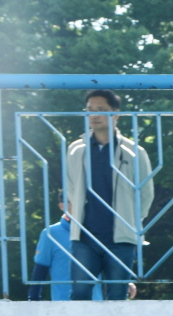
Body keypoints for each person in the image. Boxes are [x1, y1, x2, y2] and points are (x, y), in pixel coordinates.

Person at [65, 89, 154, 302]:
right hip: (85, 237)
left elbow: (146, 193)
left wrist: (131, 222)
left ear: (116, 113)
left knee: (117, 297)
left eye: (101, 110)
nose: (94, 115)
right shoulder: (76, 149)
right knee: (80, 295)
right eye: (89, 110)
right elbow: (70, 188)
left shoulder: (135, 152)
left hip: (121, 238)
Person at [27, 199, 92, 302]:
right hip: (63, 306)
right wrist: (33, 299)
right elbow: (41, 269)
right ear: (62, 206)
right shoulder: (50, 233)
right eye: (74, 200)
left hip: (97, 305)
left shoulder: (95, 232)